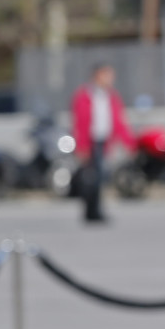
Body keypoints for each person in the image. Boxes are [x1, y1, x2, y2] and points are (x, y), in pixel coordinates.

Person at [70, 64, 134, 223]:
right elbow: (79, 123)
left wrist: (128, 142)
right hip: (90, 142)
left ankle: (95, 210)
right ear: (97, 75)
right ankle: (91, 210)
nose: (110, 79)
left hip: (103, 141)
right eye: (107, 75)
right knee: (91, 178)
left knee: (99, 177)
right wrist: (81, 146)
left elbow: (119, 121)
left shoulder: (111, 97)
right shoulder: (84, 96)